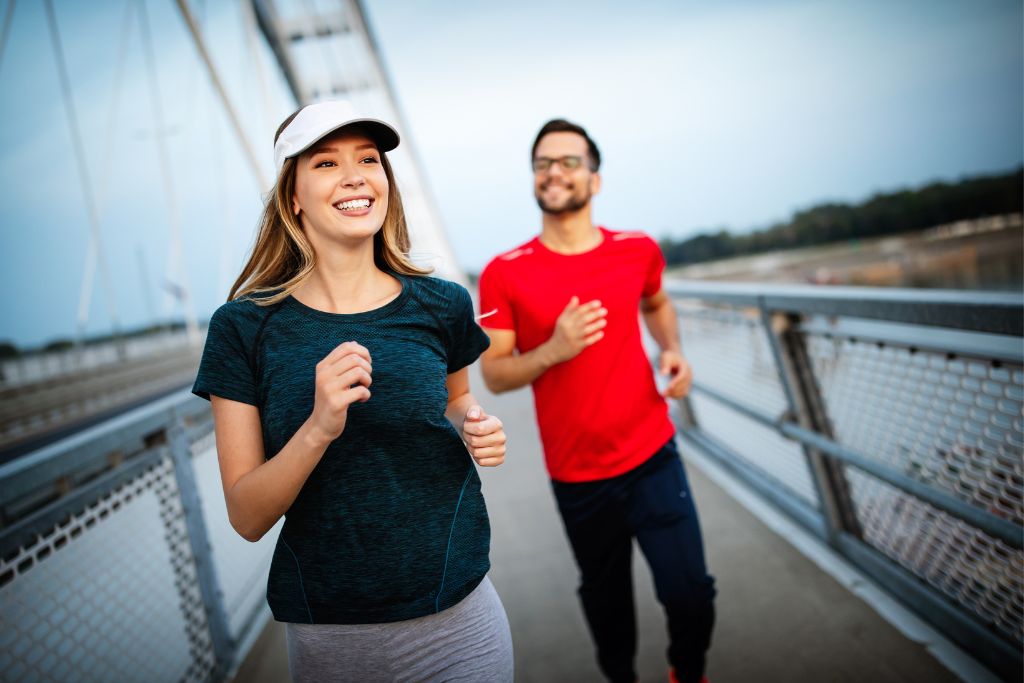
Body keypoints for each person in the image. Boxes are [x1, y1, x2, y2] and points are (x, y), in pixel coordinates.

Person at [192, 100, 513, 682]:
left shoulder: (440, 304)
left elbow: (455, 398)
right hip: (330, 638)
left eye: (368, 159)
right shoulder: (242, 328)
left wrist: (475, 423)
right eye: (325, 163)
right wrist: (317, 428)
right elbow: (246, 514)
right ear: (292, 195)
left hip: (459, 619)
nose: (355, 176)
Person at [478, 119, 715, 683]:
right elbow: (497, 376)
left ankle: (687, 671)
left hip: (653, 453)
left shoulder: (636, 250)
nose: (553, 172)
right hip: (579, 475)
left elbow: (656, 303)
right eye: (542, 163)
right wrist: (555, 349)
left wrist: (673, 350)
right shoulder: (504, 273)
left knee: (691, 595)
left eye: (568, 161)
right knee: (610, 615)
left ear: (595, 179)